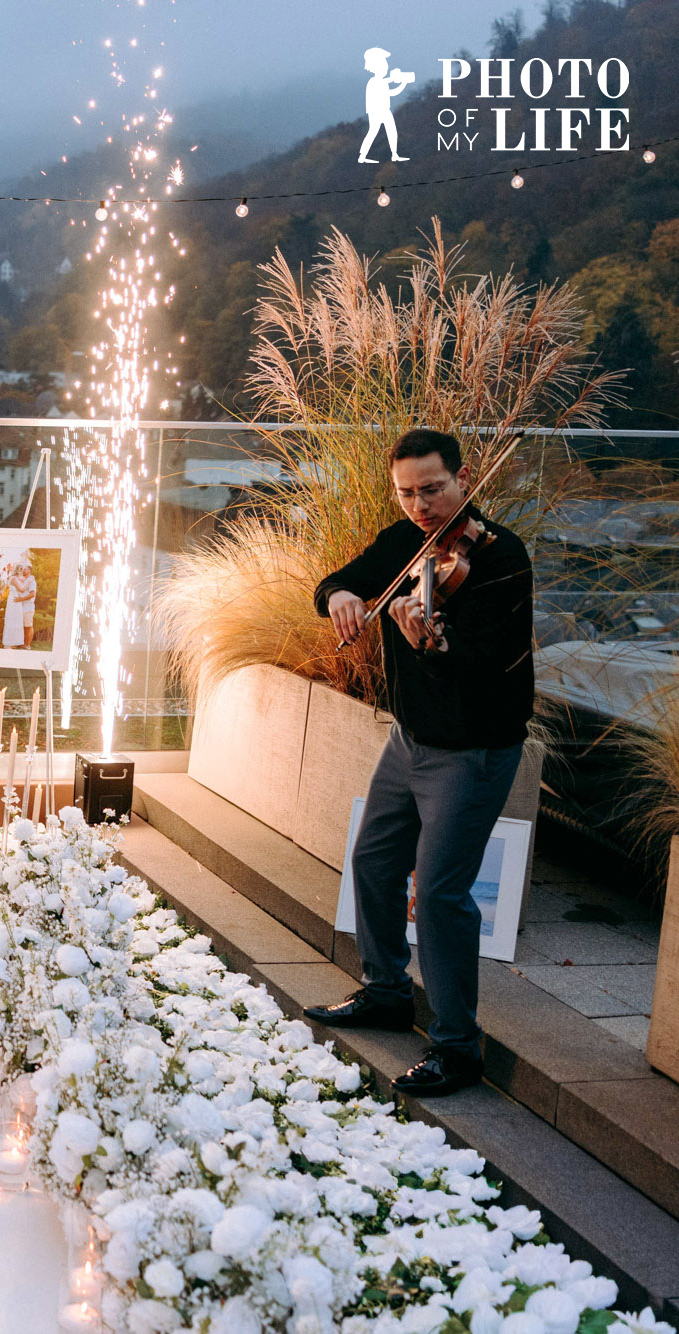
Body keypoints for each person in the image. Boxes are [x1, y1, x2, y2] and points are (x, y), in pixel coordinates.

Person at [302, 427, 533, 1097]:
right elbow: (342, 581)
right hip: (410, 741)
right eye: (407, 493)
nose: (421, 506)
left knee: (438, 893)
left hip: (474, 750)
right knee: (373, 860)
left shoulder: (499, 557)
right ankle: (386, 993)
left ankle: (458, 1049)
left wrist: (430, 642)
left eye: (432, 489)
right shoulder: (405, 542)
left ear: (463, 477)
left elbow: (485, 659)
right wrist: (341, 596)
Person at [358, 46, 414, 164]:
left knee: (388, 130)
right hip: (378, 110)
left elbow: (388, 88)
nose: (386, 67)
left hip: (381, 109)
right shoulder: (376, 81)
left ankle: (393, 154)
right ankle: (364, 156)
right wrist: (402, 83)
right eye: (384, 65)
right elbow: (391, 92)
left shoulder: (378, 81)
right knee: (376, 131)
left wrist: (399, 81)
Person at [7, 552, 39, 650]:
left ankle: (27, 645)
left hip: (28, 607)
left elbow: (32, 594)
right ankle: (22, 643)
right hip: (21, 606)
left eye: (25, 569)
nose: (23, 570)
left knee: (28, 626)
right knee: (22, 626)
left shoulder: (31, 581)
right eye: (22, 569)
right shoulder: (23, 579)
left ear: (30, 570)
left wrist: (21, 599)